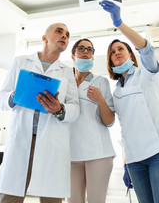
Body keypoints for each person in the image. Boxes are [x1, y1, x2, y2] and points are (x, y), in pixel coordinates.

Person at [100, 0, 159, 203]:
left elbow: (147, 50)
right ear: (110, 62)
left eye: (120, 49)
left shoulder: (147, 73)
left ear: (131, 55)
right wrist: (126, 163)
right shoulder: (116, 91)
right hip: (135, 160)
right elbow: (125, 130)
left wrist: (119, 23)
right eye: (112, 53)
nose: (116, 53)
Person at [0, 23, 80, 203]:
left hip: (51, 141)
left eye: (67, 34)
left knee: (51, 197)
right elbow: (0, 99)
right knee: (10, 197)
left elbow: (75, 109)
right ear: (44, 37)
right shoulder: (21, 62)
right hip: (21, 139)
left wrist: (60, 109)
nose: (64, 36)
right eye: (59, 31)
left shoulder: (67, 72)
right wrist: (14, 95)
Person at [68, 38, 116, 203]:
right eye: (81, 48)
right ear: (73, 56)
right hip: (71, 153)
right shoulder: (65, 82)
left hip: (98, 153)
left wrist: (100, 100)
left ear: (93, 58)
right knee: (73, 201)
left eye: (90, 50)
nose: (86, 52)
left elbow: (109, 121)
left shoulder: (100, 82)